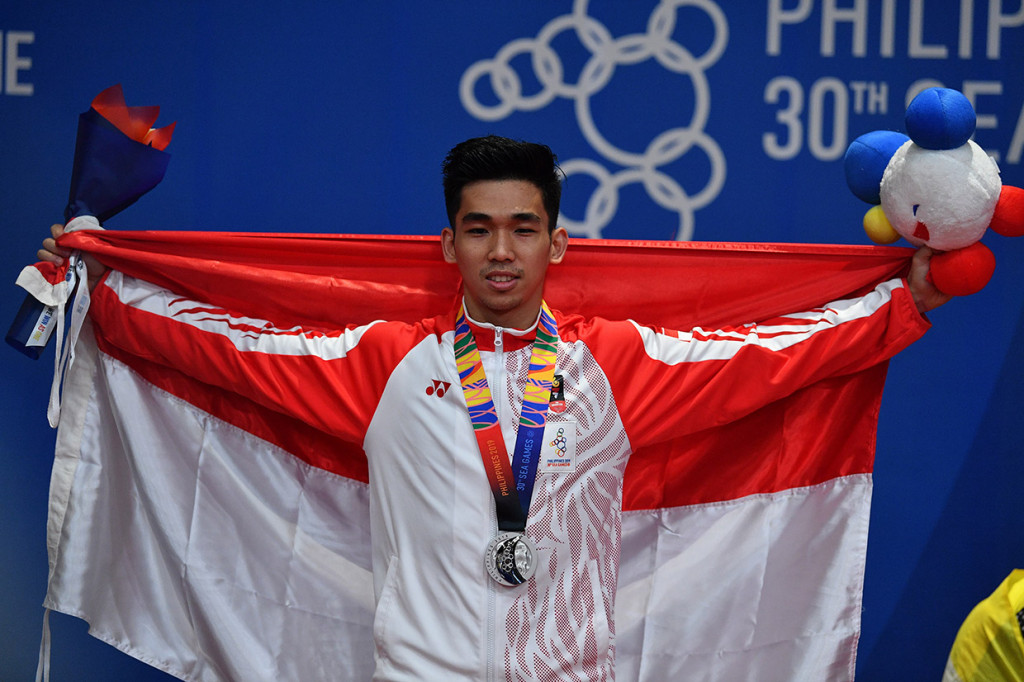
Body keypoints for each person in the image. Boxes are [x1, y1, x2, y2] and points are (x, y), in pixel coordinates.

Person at [39, 135, 949, 680]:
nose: (501, 251)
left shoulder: (615, 366)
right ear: (447, 245)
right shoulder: (387, 367)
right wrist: (105, 290)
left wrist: (900, 304)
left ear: (560, 242)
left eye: (523, 229)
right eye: (479, 229)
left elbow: (773, 357)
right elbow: (230, 348)